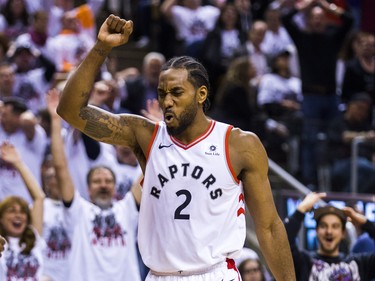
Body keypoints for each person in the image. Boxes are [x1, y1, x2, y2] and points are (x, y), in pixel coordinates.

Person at [56, 14, 295, 280]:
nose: (167, 101)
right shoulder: (144, 136)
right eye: (161, 94)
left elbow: (270, 227)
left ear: (201, 94)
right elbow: (69, 110)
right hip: (161, 274)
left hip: (214, 273)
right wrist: (102, 47)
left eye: (177, 93)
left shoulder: (239, 144)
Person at [49, 88, 143, 281]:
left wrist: (157, 137)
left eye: (108, 181)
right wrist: (55, 120)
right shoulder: (77, 210)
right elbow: (60, 167)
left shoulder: (127, 209)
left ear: (115, 187)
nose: (103, 185)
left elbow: (149, 171)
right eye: (97, 181)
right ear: (88, 188)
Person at [284, 192, 375, 280]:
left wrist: (366, 224)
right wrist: (301, 210)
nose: (329, 231)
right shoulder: (303, 263)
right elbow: (281, 243)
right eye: (323, 226)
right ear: (317, 230)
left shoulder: (359, 264)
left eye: (335, 226)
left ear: (343, 233)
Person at [0, 142, 46, 280]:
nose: (18, 215)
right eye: (12, 211)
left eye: (22, 212)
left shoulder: (33, 236)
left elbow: (39, 197)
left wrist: (18, 163)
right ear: (0, 217)